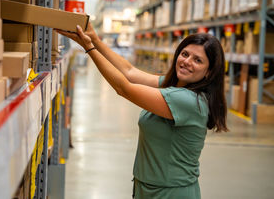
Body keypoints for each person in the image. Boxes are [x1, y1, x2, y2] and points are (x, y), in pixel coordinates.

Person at [56, 24, 228, 199]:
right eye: (185, 54)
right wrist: (95, 41)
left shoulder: (189, 101)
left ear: (209, 72)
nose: (187, 61)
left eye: (198, 60)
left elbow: (124, 88)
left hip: (171, 192)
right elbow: (129, 72)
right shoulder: (172, 86)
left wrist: (89, 48)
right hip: (149, 188)